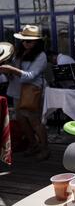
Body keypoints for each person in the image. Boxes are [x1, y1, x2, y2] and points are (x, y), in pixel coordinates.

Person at [0, 25, 50, 161]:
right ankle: (33, 144)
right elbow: (15, 74)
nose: (25, 43)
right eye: (23, 40)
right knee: (21, 120)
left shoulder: (41, 56)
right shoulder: (19, 53)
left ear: (37, 42)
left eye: (29, 41)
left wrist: (11, 70)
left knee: (35, 122)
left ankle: (45, 148)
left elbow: (30, 76)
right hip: (17, 92)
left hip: (31, 93)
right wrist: (7, 72)